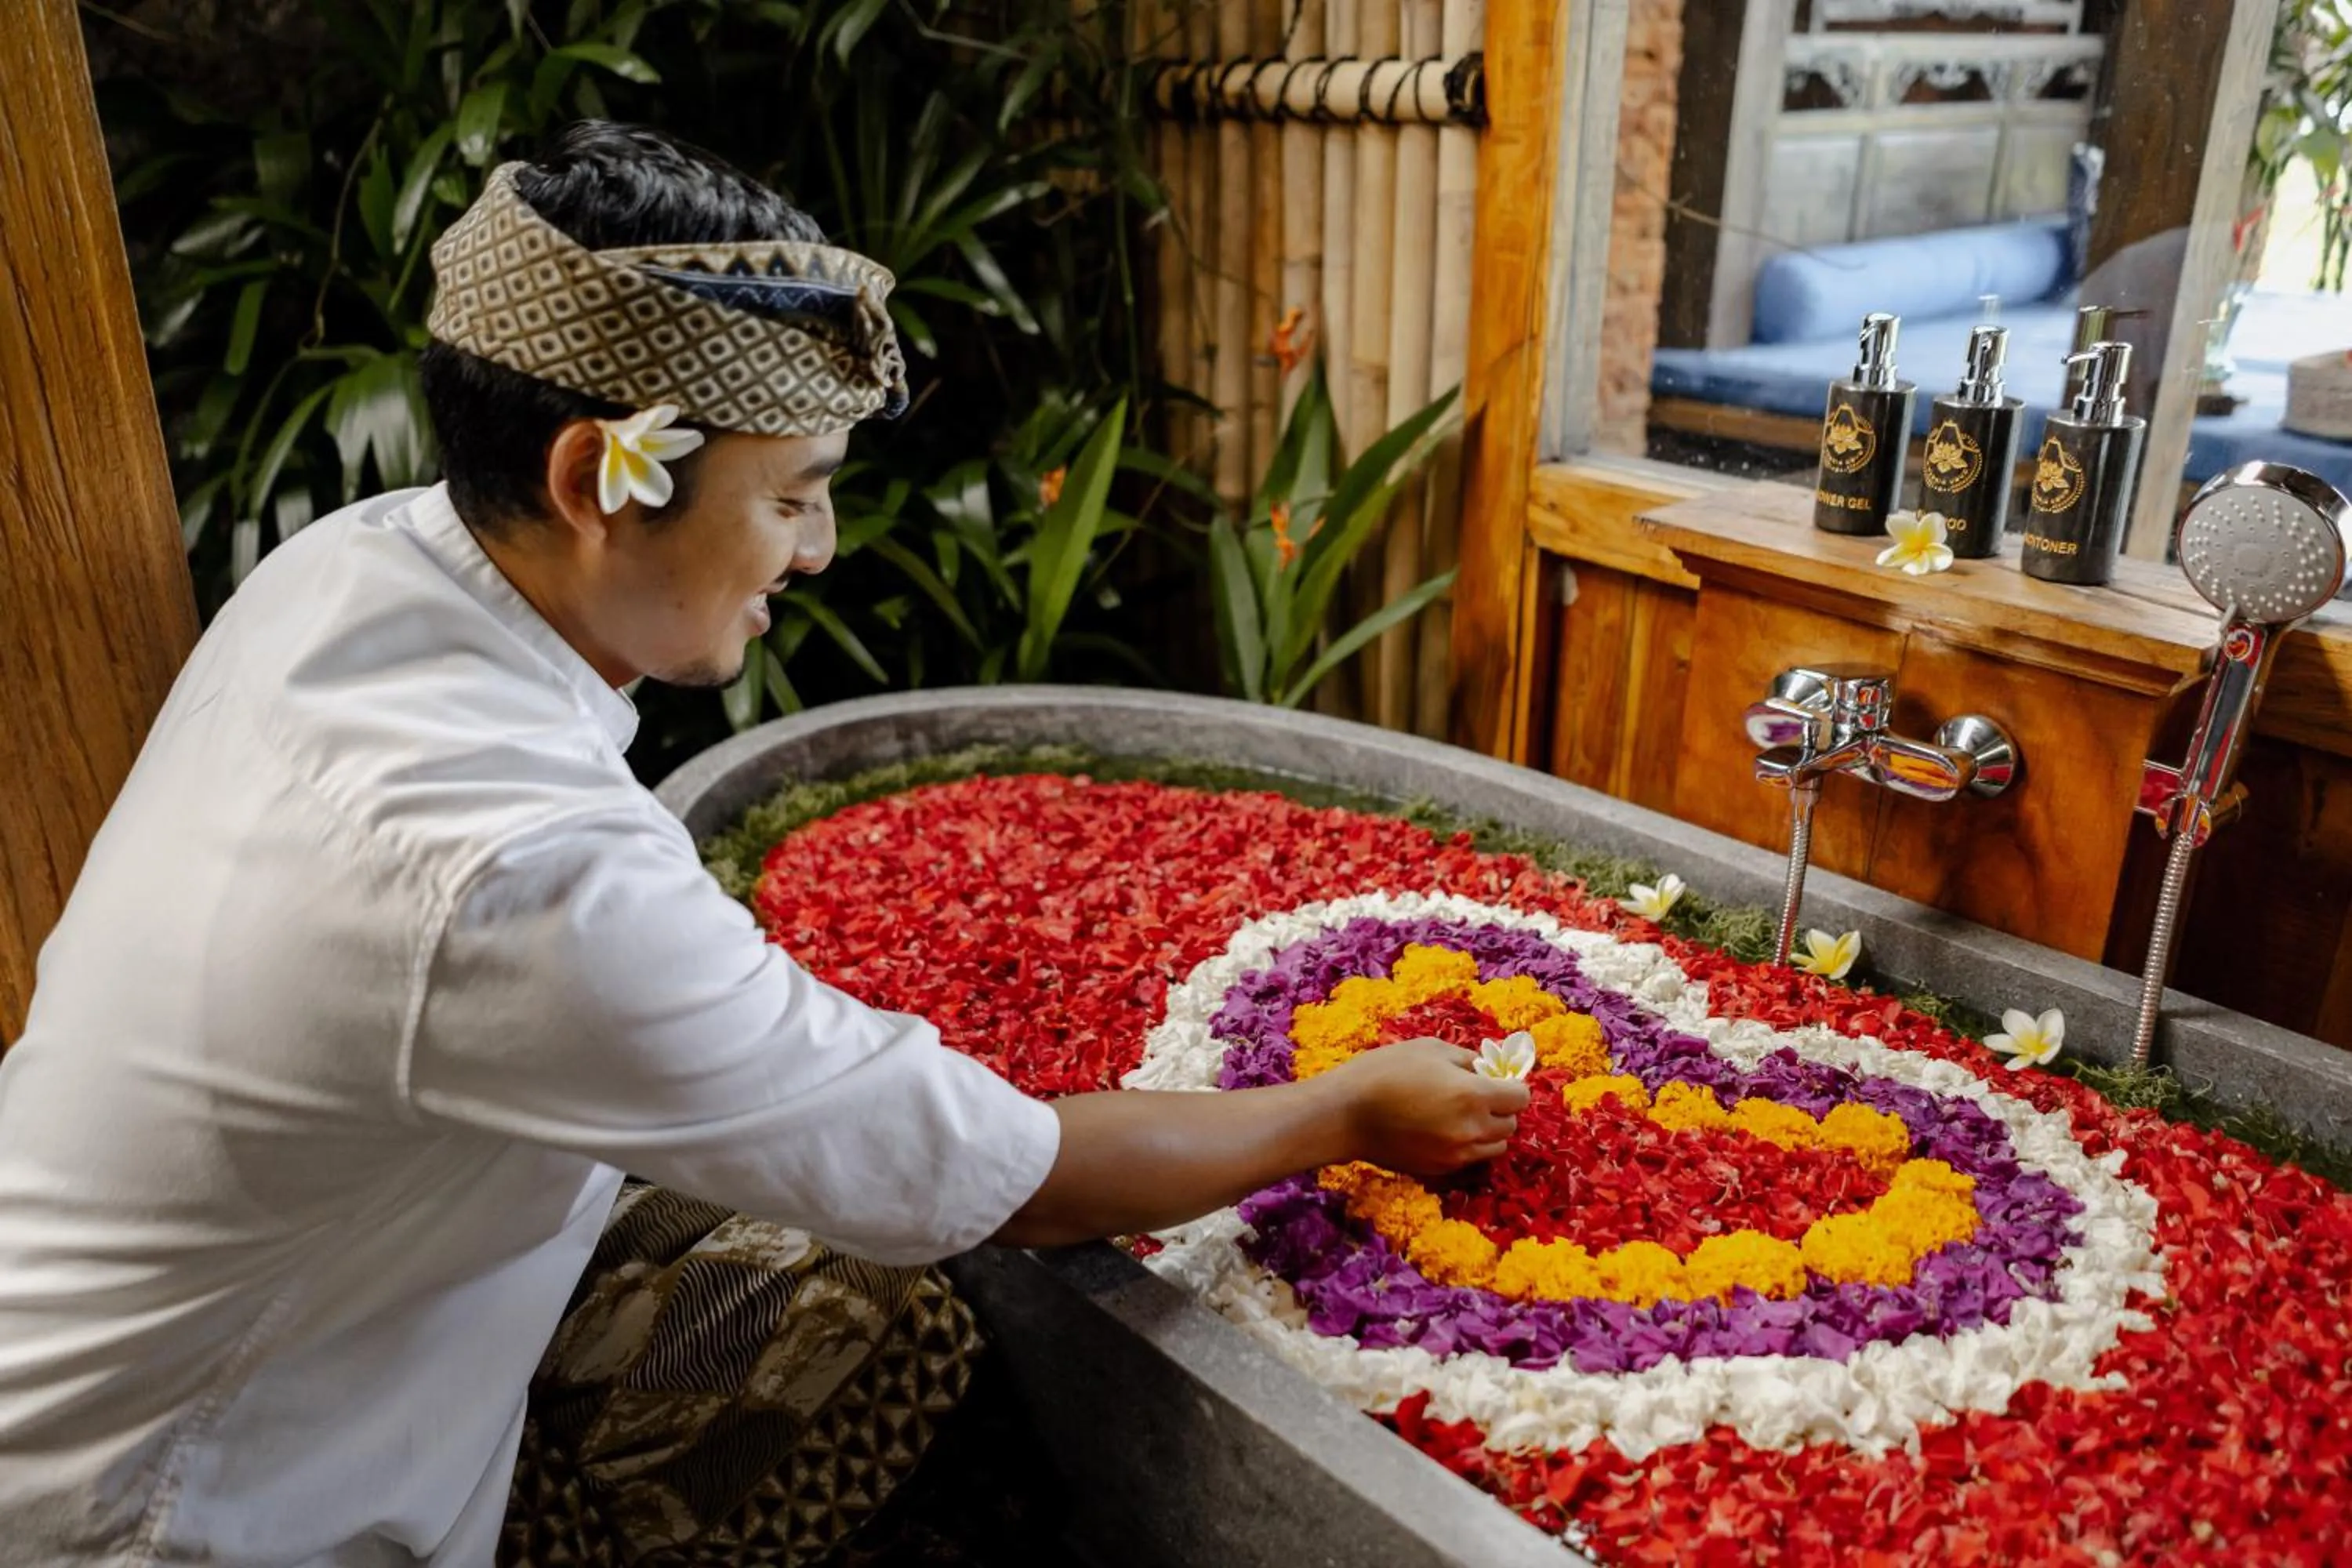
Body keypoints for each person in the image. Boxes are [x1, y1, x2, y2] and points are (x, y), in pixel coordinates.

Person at [0, 122, 1527, 1565]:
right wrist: (1342, 1109)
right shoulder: (524, 879)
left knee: (843, 1279)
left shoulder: (361, 564)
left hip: (144, 1342)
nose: (820, 549)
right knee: (923, 1344)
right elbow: (1021, 1179)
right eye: (791, 496)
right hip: (190, 1511)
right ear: (599, 474)